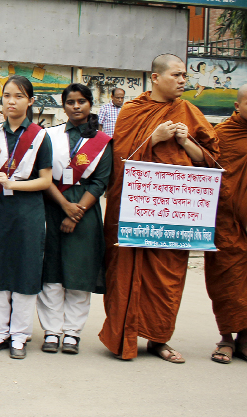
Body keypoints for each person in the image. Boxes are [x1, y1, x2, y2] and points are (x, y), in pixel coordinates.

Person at [100, 54, 219, 363]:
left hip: (174, 213)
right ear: (155, 77)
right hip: (136, 212)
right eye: (176, 75)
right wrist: (153, 138)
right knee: (125, 273)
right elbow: (120, 158)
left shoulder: (189, 112)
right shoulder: (133, 111)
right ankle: (123, 337)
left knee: (168, 276)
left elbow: (212, 159)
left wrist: (186, 142)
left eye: (184, 76)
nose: (183, 80)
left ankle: (158, 339)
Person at [0, 75, 53, 360]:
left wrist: (14, 184)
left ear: (30, 101)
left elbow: (46, 180)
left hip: (28, 210)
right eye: (7, 95)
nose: (12, 101)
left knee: (25, 269)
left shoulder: (40, 136)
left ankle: (20, 335)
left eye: (19, 96)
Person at [38, 83, 112, 355]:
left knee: (79, 274)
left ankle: (72, 333)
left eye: (82, 101)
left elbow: (100, 182)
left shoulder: (102, 142)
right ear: (64, 105)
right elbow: (44, 173)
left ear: (90, 104)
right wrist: (64, 208)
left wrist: (76, 211)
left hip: (85, 213)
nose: (76, 106)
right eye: (71, 102)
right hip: (53, 206)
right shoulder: (50, 135)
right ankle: (52, 331)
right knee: (52, 272)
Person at [205, 84, 247, 364]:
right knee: (226, 280)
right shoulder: (222, 136)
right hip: (226, 222)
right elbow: (206, 170)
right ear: (237, 105)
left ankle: (245, 337)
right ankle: (226, 337)